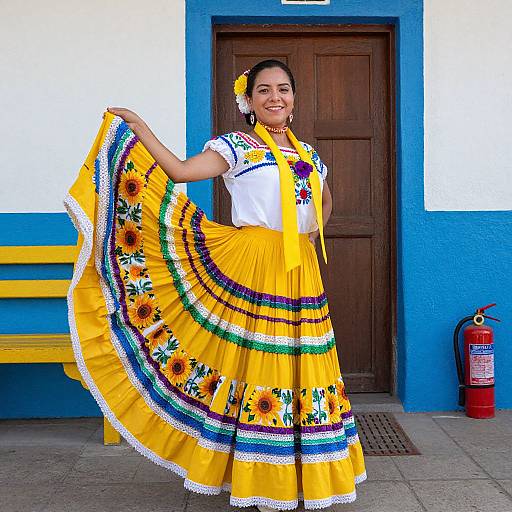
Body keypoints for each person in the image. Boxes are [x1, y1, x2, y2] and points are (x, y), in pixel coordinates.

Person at [65, 59, 366, 511]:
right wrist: (142, 128)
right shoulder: (237, 147)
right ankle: (255, 473)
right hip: (251, 265)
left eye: (283, 88)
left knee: (300, 366)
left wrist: (311, 232)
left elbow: (323, 199)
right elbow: (182, 171)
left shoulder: (310, 155)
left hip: (300, 268)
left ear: (294, 98)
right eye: (263, 90)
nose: (275, 97)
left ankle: (298, 472)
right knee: (255, 367)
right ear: (249, 101)